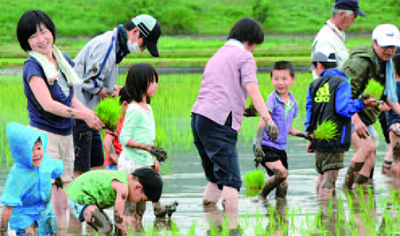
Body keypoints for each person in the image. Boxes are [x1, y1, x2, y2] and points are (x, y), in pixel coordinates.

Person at [16, 10, 104, 231]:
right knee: (45, 199)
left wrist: (89, 114)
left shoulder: (62, 60)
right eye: (33, 36)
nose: (41, 39)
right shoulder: (33, 67)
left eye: (44, 32)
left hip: (66, 135)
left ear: (51, 32)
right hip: (44, 138)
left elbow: (70, 97)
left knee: (64, 199)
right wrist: (84, 115)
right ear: (26, 42)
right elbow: (48, 104)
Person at [191, 17, 278, 234]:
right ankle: (233, 230)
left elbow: (220, 90)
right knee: (231, 180)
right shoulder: (244, 56)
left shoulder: (219, 53)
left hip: (199, 118)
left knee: (214, 178)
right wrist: (267, 118)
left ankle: (211, 224)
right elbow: (253, 89)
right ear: (249, 39)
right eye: (255, 44)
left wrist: (241, 110)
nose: (255, 49)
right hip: (219, 123)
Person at [73, 14, 162, 178]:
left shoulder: (115, 48)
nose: (142, 50)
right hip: (80, 114)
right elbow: (89, 82)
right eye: (144, 44)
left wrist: (112, 88)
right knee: (80, 170)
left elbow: (94, 79)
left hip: (90, 115)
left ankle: (93, 203)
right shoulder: (106, 47)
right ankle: (72, 203)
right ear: (135, 32)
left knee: (97, 165)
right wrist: (114, 93)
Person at [305, 47, 377, 199]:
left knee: (322, 177)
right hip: (335, 139)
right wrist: (361, 103)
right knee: (330, 180)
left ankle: (320, 215)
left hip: (318, 138)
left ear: (319, 65)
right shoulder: (342, 81)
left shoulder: (314, 85)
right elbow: (343, 109)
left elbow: (309, 114)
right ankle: (328, 218)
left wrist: (311, 137)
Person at [118, 64, 176, 229]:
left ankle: (139, 229)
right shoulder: (134, 109)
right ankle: (128, 230)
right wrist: (147, 148)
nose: (156, 85)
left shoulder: (148, 108)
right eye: (152, 82)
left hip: (144, 163)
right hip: (131, 163)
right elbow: (124, 138)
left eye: (156, 81)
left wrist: (152, 159)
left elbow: (148, 139)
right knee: (130, 206)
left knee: (141, 205)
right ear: (140, 83)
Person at [342, 24, 400, 189]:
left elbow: (388, 97)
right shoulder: (360, 63)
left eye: (393, 46)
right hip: (344, 111)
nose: (389, 50)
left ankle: (361, 194)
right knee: (367, 146)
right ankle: (346, 188)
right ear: (374, 43)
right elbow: (345, 94)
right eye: (385, 46)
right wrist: (357, 121)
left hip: (361, 114)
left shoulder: (386, 65)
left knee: (370, 159)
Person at [1, 123, 64, 236]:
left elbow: (56, 168)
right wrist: (3, 230)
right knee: (29, 232)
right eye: (30, 150)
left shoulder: (46, 162)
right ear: (21, 153)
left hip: (45, 210)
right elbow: (8, 204)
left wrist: (57, 178)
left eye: (39, 148)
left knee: (51, 231)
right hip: (24, 213)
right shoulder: (18, 174)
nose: (36, 154)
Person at [253, 61, 303, 201]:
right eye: (276, 79)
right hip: (265, 146)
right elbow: (263, 120)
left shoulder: (293, 103)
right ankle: (261, 197)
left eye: (284, 79)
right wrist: (257, 145)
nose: (280, 83)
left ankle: (280, 212)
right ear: (271, 79)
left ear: (293, 79)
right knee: (281, 173)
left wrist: (305, 135)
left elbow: (288, 128)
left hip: (280, 148)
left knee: (283, 184)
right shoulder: (271, 99)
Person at [65, 168, 163, 235]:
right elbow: (118, 217)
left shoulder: (123, 177)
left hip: (87, 196)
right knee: (105, 228)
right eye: (141, 199)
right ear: (138, 187)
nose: (139, 202)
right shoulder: (123, 188)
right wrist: (122, 233)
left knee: (107, 227)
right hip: (80, 196)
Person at [311, 0, 366, 79]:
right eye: (353, 18)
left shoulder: (336, 36)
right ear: (342, 15)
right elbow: (326, 78)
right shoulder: (325, 40)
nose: (353, 23)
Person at [103, 87, 131, 170]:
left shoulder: (130, 119)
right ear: (124, 104)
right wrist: (117, 160)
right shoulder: (116, 119)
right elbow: (107, 142)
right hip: (114, 165)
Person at [383, 49, 400, 176]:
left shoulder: (391, 87)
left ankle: (395, 188)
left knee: (397, 161)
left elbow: (386, 107)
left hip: (396, 126)